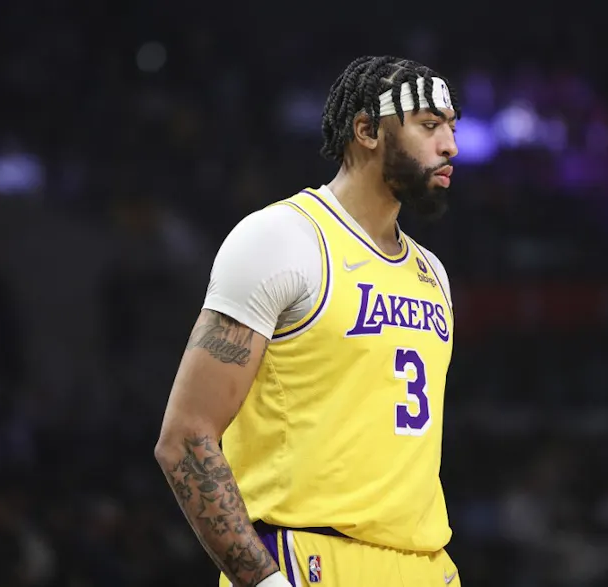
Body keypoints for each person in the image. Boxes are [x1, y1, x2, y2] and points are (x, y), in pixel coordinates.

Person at [154, 55, 461, 587]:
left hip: (427, 564)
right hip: (310, 557)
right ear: (366, 130)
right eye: (430, 126)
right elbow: (185, 437)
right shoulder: (281, 240)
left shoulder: (432, 273)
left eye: (451, 127)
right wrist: (265, 581)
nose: (450, 145)